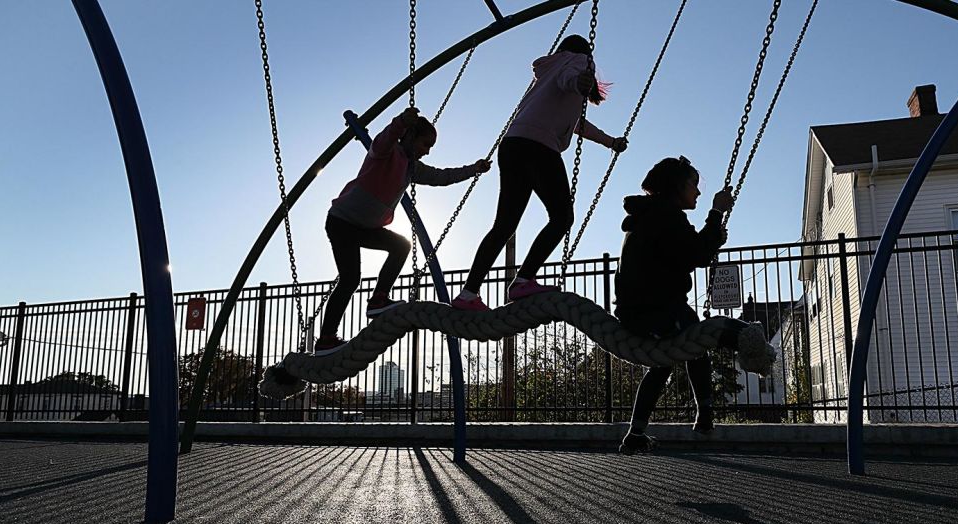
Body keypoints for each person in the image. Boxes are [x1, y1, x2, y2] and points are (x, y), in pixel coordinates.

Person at [451, 34, 628, 311]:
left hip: (512, 145)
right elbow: (570, 77)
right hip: (539, 147)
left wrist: (609, 141)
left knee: (504, 225)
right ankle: (523, 280)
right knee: (562, 217)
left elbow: (577, 124)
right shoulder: (579, 63)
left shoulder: (546, 73)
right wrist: (579, 79)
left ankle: (468, 294)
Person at [315, 107, 491, 352]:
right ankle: (326, 338)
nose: (427, 151)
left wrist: (473, 169)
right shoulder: (385, 153)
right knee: (349, 280)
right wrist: (400, 123)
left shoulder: (411, 168)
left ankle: (378, 299)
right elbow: (382, 141)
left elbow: (443, 176)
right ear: (409, 136)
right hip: (342, 222)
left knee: (401, 245)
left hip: (366, 228)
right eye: (425, 144)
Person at [613, 156, 734, 455]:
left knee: (663, 361)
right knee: (697, 337)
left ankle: (636, 433)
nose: (698, 192)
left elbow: (689, 251)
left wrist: (712, 238)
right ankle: (705, 414)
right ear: (676, 186)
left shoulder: (652, 215)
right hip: (655, 310)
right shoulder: (665, 216)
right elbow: (694, 253)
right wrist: (716, 213)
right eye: (693, 184)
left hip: (638, 311)